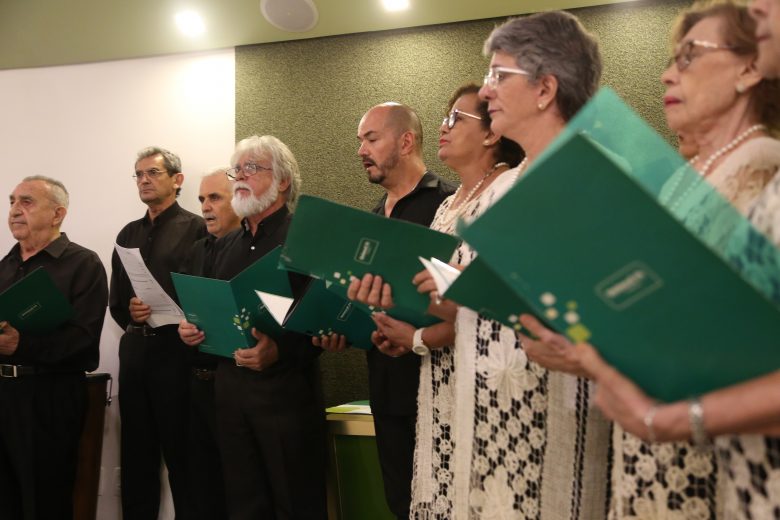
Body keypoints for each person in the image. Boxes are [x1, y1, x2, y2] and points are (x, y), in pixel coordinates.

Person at [572, 1, 780, 518]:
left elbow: (726, 325)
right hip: (666, 432)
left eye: (689, 56)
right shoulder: (691, 176)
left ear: (749, 69)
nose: (668, 73)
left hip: (716, 446)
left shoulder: (758, 164)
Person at [360, 85, 523, 518]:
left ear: (491, 135)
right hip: (442, 379)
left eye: (455, 119)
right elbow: (440, 297)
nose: (442, 127)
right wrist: (402, 323)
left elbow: (502, 302)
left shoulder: (510, 190)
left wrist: (419, 336)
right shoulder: (450, 205)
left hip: (491, 381)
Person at [179, 135, 327, 519]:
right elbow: (215, 312)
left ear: (282, 181)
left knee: (294, 503)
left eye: (252, 168)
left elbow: (324, 321)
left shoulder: (306, 237)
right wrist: (194, 330)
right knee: (243, 505)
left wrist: (281, 350)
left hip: (285, 395)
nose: (239, 177)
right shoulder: (225, 246)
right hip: (229, 394)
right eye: (236, 170)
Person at [324, 102, 456, 520]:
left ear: (405, 140)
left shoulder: (448, 205)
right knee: (401, 505)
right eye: (360, 140)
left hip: (438, 390)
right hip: (385, 386)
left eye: (371, 138)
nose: (361, 149)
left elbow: (464, 306)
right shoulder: (372, 217)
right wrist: (345, 326)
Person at [0, 176, 108, 519]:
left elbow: (85, 341)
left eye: (27, 202)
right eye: (13, 201)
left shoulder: (83, 264)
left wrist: (23, 343)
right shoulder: (4, 267)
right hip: (4, 393)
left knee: (44, 499)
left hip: (50, 396)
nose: (15, 210)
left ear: (58, 213)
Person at [110, 146, 206, 519]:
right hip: (136, 355)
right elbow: (117, 301)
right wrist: (133, 314)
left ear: (177, 180)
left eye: (152, 172)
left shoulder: (197, 228)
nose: (144, 180)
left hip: (177, 357)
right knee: (136, 456)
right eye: (138, 174)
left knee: (184, 456)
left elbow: (202, 293)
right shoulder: (127, 233)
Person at [182, 168, 240, 520]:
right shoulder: (196, 251)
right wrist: (185, 329)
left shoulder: (253, 250)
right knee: (202, 487)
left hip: (238, 383)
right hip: (199, 383)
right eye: (202, 199)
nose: (205, 206)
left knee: (238, 487)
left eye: (215, 198)